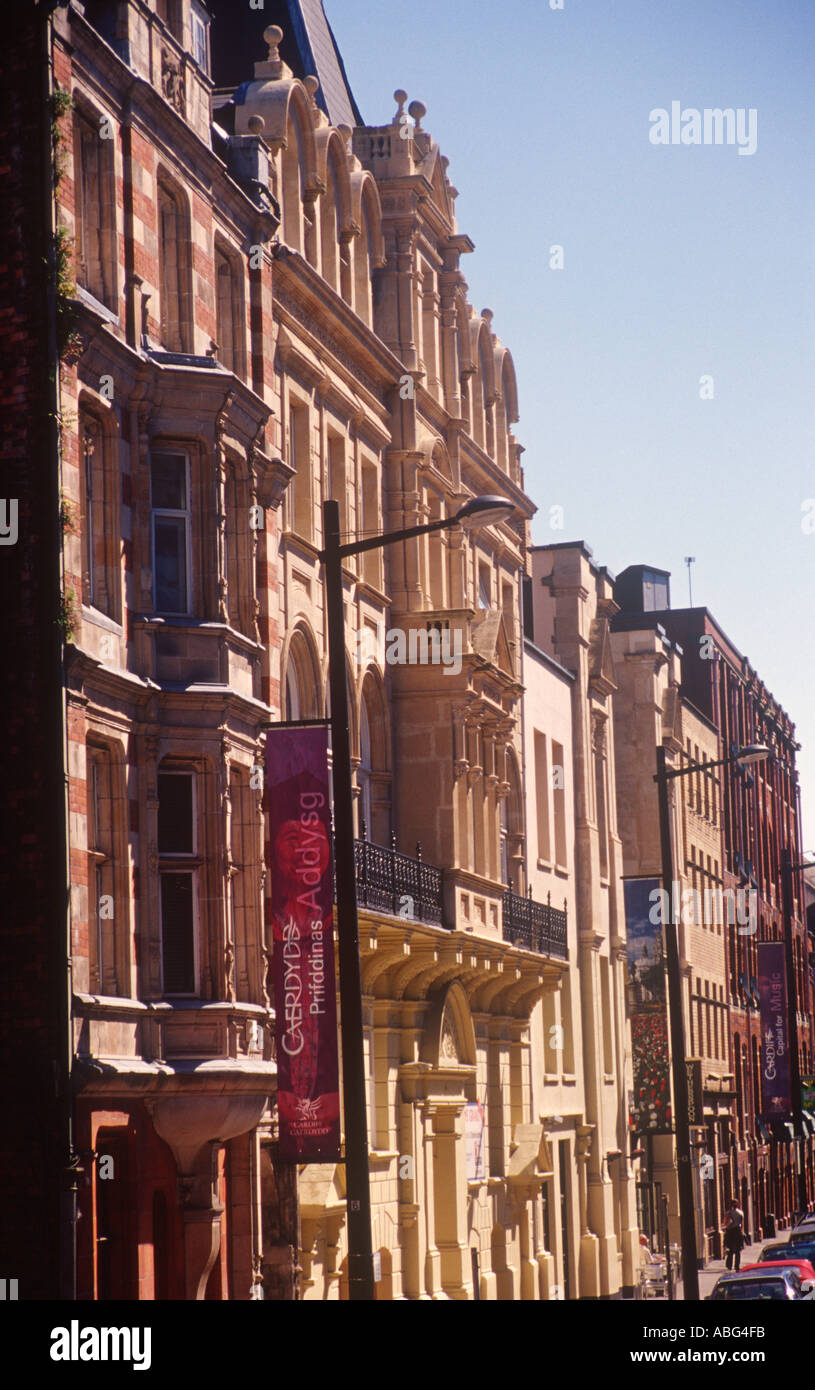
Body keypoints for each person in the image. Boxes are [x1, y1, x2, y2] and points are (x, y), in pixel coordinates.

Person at [723, 1200, 745, 1271]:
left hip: (731, 1232)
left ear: (731, 1205)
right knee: (738, 1250)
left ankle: (729, 1265)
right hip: (738, 1231)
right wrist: (742, 1231)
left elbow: (725, 1223)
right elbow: (742, 1223)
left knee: (730, 1249)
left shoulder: (728, 1213)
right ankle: (737, 1266)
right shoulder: (741, 1213)